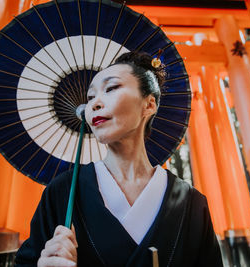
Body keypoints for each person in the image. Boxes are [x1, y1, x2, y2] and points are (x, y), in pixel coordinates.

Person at [15, 51, 223, 267]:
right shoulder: (63, 191)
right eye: (90, 97)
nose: (94, 104)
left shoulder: (192, 203)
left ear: (149, 105)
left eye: (111, 88)